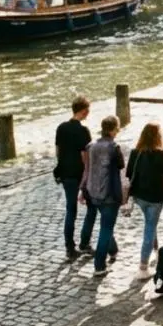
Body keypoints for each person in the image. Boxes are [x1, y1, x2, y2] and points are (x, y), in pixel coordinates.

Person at [126, 121, 163, 273]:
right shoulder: (161, 154)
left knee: (151, 222)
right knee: (150, 227)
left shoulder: (135, 152)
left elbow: (128, 174)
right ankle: (143, 266)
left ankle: (156, 250)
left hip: (139, 197)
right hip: (156, 198)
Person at [82, 115, 127, 275]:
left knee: (106, 225)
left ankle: (113, 249)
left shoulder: (91, 146)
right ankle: (99, 266)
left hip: (93, 192)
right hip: (108, 193)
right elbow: (121, 165)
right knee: (106, 228)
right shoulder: (114, 147)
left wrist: (83, 189)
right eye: (117, 129)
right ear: (113, 130)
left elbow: (87, 169)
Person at [53, 96, 97, 260]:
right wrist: (88, 176)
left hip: (65, 173)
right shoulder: (83, 131)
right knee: (92, 207)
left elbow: (58, 151)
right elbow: (85, 156)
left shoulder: (61, 128)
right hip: (80, 174)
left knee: (70, 210)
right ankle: (84, 242)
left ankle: (69, 248)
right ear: (84, 111)